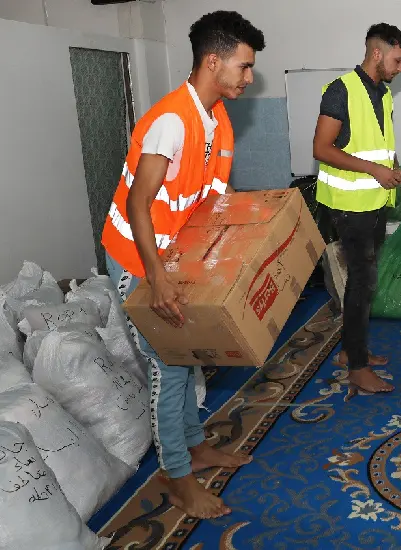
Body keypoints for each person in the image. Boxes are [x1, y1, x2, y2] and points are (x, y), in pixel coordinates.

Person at [100, 11, 264, 519]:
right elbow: (139, 203)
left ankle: (193, 448)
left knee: (187, 356)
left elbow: (212, 199)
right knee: (169, 368)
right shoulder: (171, 120)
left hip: (173, 255)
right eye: (244, 65)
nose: (249, 76)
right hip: (138, 258)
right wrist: (156, 277)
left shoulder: (218, 120)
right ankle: (177, 478)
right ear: (213, 62)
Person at [313, 23, 401, 394]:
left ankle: (351, 351)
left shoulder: (382, 94)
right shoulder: (341, 90)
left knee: (362, 283)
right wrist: (375, 170)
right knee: (364, 281)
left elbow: (377, 146)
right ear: (377, 53)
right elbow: (322, 148)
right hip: (348, 205)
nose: (400, 67)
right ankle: (356, 366)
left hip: (374, 202)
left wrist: (395, 168)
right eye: (397, 60)